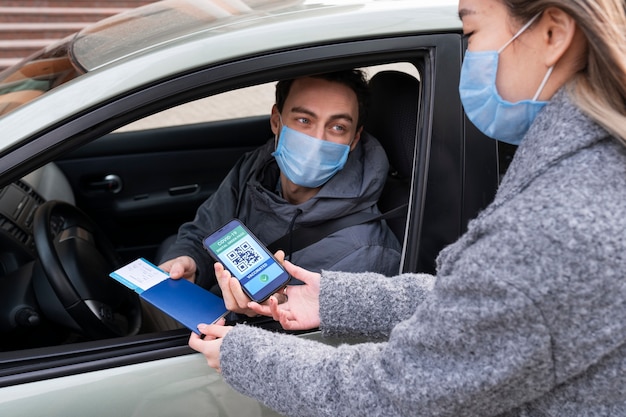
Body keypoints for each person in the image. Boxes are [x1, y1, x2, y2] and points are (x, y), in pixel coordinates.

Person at [188, 0, 626, 415]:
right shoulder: (580, 177)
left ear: (552, 33)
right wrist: (336, 298)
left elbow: (394, 393)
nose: (468, 55)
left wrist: (241, 353)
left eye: (470, 31)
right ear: (276, 120)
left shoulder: (557, 223)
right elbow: (485, 303)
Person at [157, 70, 401, 314]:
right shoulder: (257, 168)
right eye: (304, 120)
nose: (317, 140)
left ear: (354, 139)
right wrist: (190, 260)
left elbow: (321, 348)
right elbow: (206, 230)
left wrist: (262, 317)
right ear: (276, 121)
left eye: (337, 127)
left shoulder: (366, 253)